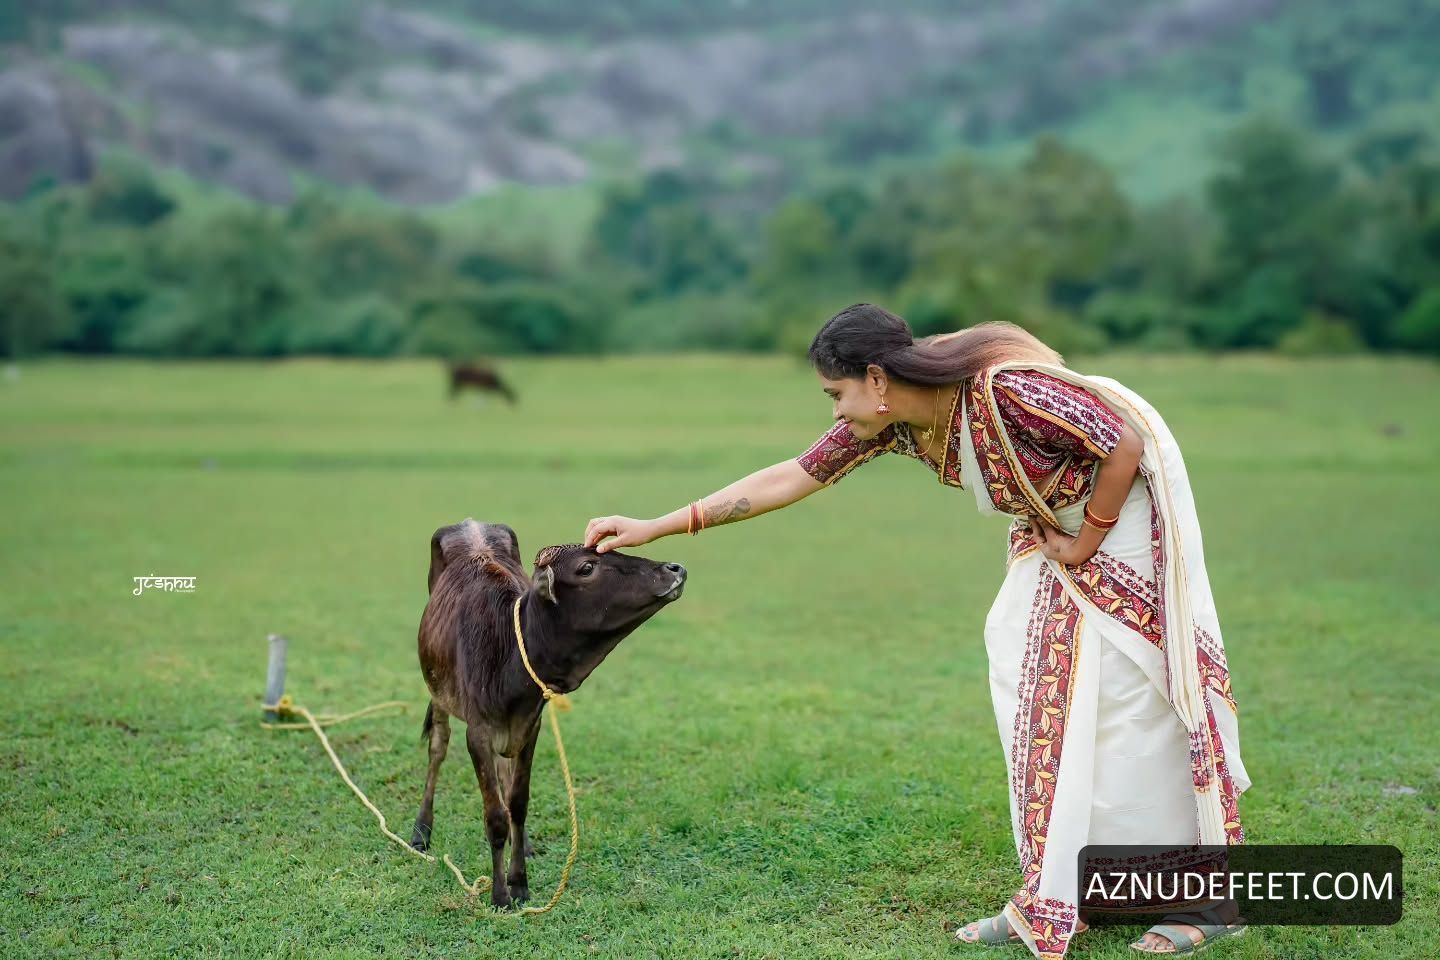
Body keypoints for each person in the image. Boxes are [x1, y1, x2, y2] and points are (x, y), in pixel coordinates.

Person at [582, 304, 1250, 958]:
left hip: (1123, 520)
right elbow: (790, 476)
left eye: (836, 392)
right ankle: (1076, 889)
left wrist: (1085, 542)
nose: (835, 411)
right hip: (1056, 529)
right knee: (1034, 690)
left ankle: (1211, 900)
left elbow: (1122, 443)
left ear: (876, 379)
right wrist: (655, 526)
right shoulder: (896, 424)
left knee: (1131, 700)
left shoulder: (1006, 391)